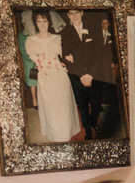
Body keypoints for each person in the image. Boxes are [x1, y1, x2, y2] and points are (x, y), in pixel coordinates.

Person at [24, 10, 80, 143]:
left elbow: (66, 55)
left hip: (59, 75)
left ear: (49, 22)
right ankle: (55, 137)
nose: (42, 24)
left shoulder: (58, 38)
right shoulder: (30, 40)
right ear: (35, 23)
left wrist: (67, 62)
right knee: (50, 107)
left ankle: (66, 136)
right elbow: (33, 58)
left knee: (63, 105)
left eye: (45, 21)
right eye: (39, 21)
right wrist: (41, 63)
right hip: (45, 77)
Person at [60, 9, 107, 140]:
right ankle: (87, 131)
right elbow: (66, 57)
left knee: (96, 102)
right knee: (82, 104)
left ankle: (93, 122)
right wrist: (81, 75)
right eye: (71, 13)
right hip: (76, 74)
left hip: (94, 73)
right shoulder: (65, 33)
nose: (74, 16)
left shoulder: (93, 29)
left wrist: (90, 75)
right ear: (68, 16)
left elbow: (99, 53)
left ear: (82, 13)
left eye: (76, 12)